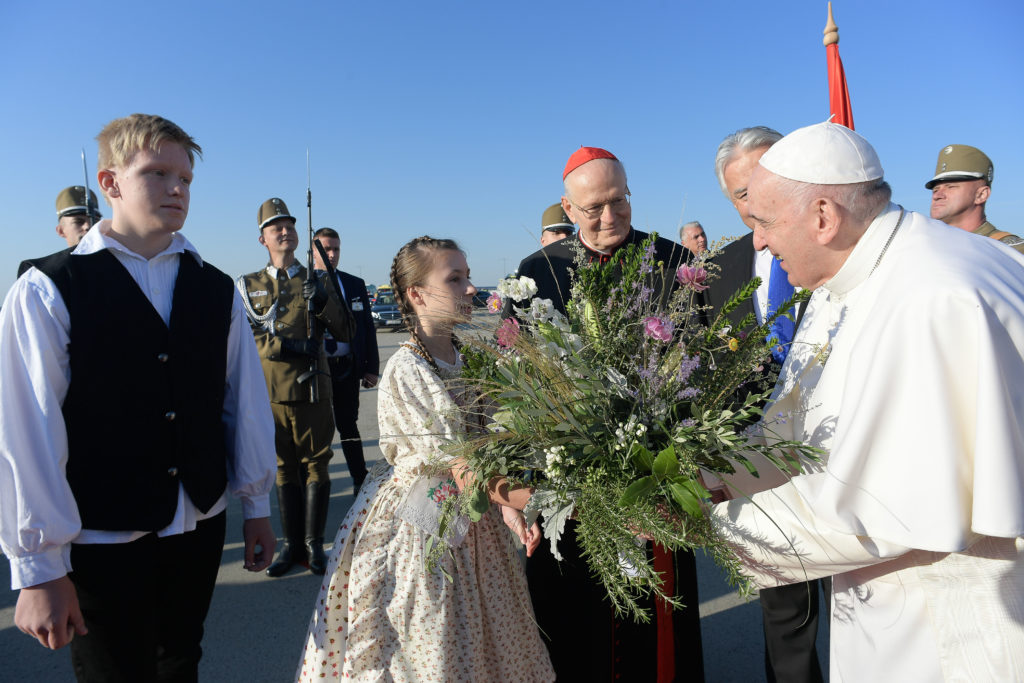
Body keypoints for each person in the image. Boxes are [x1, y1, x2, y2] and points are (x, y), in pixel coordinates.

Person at [711, 121, 1024, 680]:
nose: (757, 240)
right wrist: (710, 475)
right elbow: (793, 434)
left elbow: (879, 511)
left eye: (764, 221)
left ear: (824, 218)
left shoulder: (930, 298)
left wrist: (699, 522)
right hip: (888, 602)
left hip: (950, 625)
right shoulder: (848, 276)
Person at [0, 113, 277, 681]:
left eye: (186, 178)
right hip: (102, 536)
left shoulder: (214, 286)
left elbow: (241, 403)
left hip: (197, 525)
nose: (177, 188)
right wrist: (38, 567)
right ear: (110, 183)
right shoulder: (49, 288)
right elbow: (27, 430)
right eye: (158, 173)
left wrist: (257, 507)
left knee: (181, 662)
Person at [296, 236, 554, 681]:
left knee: (490, 649)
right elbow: (463, 465)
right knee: (434, 650)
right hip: (424, 532)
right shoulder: (407, 368)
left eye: (468, 276)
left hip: (475, 522)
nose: (471, 288)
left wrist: (512, 510)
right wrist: (552, 493)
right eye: (455, 278)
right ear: (416, 294)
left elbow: (491, 445)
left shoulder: (469, 357)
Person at [512, 147, 703, 682]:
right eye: (594, 208)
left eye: (619, 201)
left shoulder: (670, 263)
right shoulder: (537, 273)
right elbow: (522, 380)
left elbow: (699, 363)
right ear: (568, 211)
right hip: (571, 482)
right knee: (576, 621)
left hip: (652, 471)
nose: (610, 216)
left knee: (652, 619)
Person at [707, 126, 826, 683]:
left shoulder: (831, 247)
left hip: (840, 446)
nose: (752, 203)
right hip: (764, 465)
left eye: (760, 184)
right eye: (739, 195)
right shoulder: (719, 270)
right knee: (786, 615)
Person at [238, 200, 355, 577]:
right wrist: (288, 346)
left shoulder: (318, 280)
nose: (285, 231)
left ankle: (313, 545)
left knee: (316, 466)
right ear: (263, 239)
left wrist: (322, 302)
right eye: (276, 228)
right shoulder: (248, 285)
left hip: (311, 391)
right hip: (270, 393)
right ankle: (290, 546)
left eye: (289, 225)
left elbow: (345, 330)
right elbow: (246, 337)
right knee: (284, 469)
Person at [312, 226, 379, 495]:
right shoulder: (303, 285)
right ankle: (315, 483)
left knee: (348, 424)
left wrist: (371, 368)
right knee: (317, 429)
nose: (332, 254)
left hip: (346, 368)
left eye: (336, 248)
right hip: (316, 370)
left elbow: (366, 329)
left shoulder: (353, 284)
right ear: (313, 250)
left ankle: (358, 478)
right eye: (325, 248)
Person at [926, 143, 1024, 253]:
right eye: (935, 190)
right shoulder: (924, 247)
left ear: (981, 195)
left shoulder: (1011, 252)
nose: (937, 195)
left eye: (951, 187)